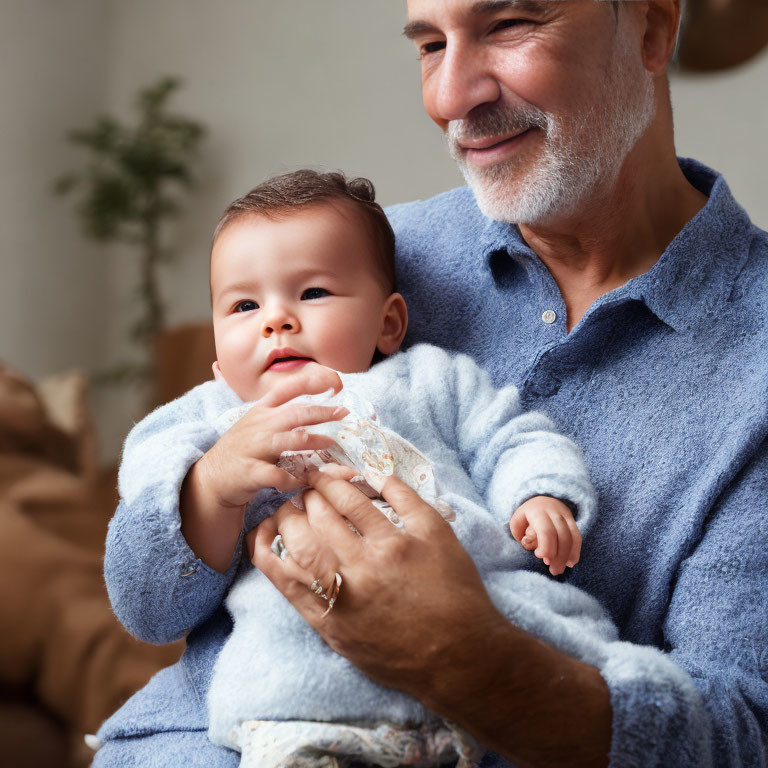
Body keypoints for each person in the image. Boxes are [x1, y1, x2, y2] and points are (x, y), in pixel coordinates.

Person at [244, 2, 768, 768]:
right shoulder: (352, 272)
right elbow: (199, 645)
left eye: (510, 24)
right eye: (429, 43)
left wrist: (468, 662)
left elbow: (743, 735)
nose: (450, 98)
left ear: (653, 30)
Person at [99, 169, 619, 768]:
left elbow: (509, 436)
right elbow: (151, 526)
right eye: (244, 305)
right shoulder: (213, 420)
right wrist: (213, 484)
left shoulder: (430, 379)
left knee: (573, 647)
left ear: (388, 323)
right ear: (218, 354)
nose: (276, 320)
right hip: (300, 683)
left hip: (475, 631)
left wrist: (538, 495)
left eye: (312, 293)